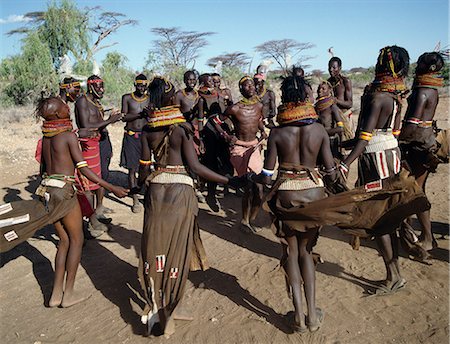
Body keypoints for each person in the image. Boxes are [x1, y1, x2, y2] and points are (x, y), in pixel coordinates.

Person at [137, 77, 244, 337]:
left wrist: (137, 188)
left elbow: (143, 169)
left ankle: (159, 306)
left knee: (156, 251)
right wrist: (229, 179)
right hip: (180, 192)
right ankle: (171, 312)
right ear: (167, 99)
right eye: (173, 95)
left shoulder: (147, 130)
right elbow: (196, 168)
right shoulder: (180, 129)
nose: (177, 98)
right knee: (178, 251)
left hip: (155, 190)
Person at [0, 96, 128, 307]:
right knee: (76, 241)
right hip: (64, 194)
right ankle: (68, 294)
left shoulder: (46, 138)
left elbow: (43, 170)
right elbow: (83, 168)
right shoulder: (67, 136)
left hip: (47, 192)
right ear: (59, 114)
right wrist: (112, 187)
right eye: (62, 105)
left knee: (64, 242)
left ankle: (55, 295)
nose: (66, 106)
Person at [252, 74, 343, 332]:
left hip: (286, 196)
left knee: (291, 253)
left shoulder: (278, 133)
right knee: (306, 252)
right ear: (306, 97)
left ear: (285, 98)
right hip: (314, 195)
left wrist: (254, 180)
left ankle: (299, 317)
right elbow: (331, 173)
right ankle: (313, 316)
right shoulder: (319, 130)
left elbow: (268, 174)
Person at [340, 46, 431, 294]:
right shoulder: (394, 97)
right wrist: (343, 146)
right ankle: (394, 273)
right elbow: (391, 134)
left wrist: (344, 163)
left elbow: (365, 138)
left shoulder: (377, 98)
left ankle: (393, 277)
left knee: (379, 218)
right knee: (387, 217)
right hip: (390, 154)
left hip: (375, 159)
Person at [398, 52, 445, 257]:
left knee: (414, 191)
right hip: (424, 144)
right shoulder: (431, 90)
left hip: (417, 145)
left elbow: (412, 125)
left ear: (430, 68)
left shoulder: (422, 92)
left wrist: (395, 140)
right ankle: (422, 236)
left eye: (422, 62)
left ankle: (425, 237)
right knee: (417, 190)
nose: (418, 64)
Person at [74, 75, 122, 237]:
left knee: (100, 179)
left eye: (103, 86)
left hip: (97, 143)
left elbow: (96, 121)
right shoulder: (82, 101)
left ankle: (97, 213)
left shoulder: (95, 102)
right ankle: (88, 222)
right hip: (88, 145)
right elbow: (86, 126)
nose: (102, 89)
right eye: (98, 86)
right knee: (88, 183)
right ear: (90, 86)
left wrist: (109, 119)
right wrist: (110, 120)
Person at [218, 76, 267, 233]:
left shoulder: (259, 105)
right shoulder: (234, 108)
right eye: (246, 86)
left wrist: (263, 131)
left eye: (252, 85)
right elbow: (216, 121)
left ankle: (251, 219)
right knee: (248, 187)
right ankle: (244, 220)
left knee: (259, 189)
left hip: (254, 147)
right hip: (239, 148)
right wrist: (226, 136)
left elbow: (259, 121)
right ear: (241, 89)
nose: (250, 87)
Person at [198, 73, 234, 211]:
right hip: (211, 132)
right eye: (212, 81)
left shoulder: (224, 94)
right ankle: (211, 194)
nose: (215, 83)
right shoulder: (202, 97)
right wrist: (201, 139)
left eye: (217, 81)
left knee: (226, 162)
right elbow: (203, 119)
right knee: (211, 164)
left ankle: (227, 186)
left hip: (224, 130)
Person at [120, 74, 150, 213]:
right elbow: (124, 117)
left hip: (145, 137)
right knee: (132, 168)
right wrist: (140, 115)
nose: (141, 88)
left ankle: (144, 192)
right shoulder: (127, 98)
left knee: (145, 167)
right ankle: (135, 198)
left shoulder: (149, 99)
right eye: (139, 85)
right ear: (134, 84)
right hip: (131, 136)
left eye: (144, 85)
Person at [327, 57, 355, 142]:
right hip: (334, 118)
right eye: (329, 67)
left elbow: (350, 104)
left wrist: (336, 101)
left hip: (345, 116)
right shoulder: (328, 82)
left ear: (339, 68)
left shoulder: (345, 81)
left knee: (346, 143)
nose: (331, 70)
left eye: (334, 67)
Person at [315, 80, 344, 158]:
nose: (320, 91)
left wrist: (324, 132)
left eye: (323, 89)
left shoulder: (332, 107)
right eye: (319, 89)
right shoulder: (316, 107)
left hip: (331, 142)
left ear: (329, 90)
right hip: (318, 141)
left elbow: (340, 128)